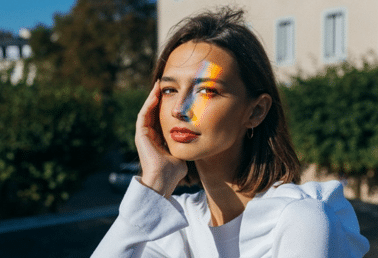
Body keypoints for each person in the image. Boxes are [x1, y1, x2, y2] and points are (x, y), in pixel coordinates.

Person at [91, 7, 370, 258]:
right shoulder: (174, 227)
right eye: (169, 90)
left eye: (206, 91)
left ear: (256, 111)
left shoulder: (302, 220)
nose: (180, 109)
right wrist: (153, 185)